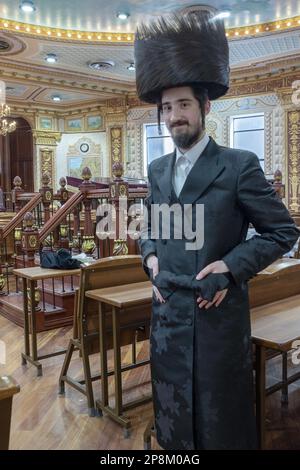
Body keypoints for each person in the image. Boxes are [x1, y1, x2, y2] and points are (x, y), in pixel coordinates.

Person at [134, 12, 299, 450]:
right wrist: (150, 259)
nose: (174, 117)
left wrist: (231, 266)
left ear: (206, 107)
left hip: (217, 321)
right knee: (172, 424)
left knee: (219, 426)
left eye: (183, 105)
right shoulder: (156, 170)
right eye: (167, 108)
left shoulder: (238, 165)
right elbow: (149, 226)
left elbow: (283, 232)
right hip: (167, 320)